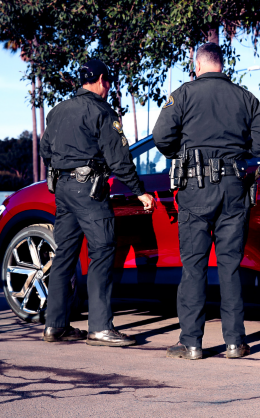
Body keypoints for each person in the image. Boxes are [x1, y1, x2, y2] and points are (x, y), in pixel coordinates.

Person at [153, 43, 260, 360]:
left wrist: (185, 155)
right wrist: (235, 154)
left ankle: (191, 343)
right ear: (223, 66)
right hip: (234, 188)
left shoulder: (183, 94)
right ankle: (235, 342)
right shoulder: (245, 97)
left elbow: (161, 137)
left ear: (197, 65)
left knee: (194, 268)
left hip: (194, 189)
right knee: (230, 267)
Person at [40, 59, 155, 346]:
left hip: (62, 189)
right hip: (88, 191)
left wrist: (62, 176)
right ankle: (100, 327)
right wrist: (139, 191)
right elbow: (118, 157)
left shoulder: (57, 111)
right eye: (109, 82)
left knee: (64, 255)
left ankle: (55, 325)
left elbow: (45, 151)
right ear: (102, 79)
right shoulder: (102, 110)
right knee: (102, 250)